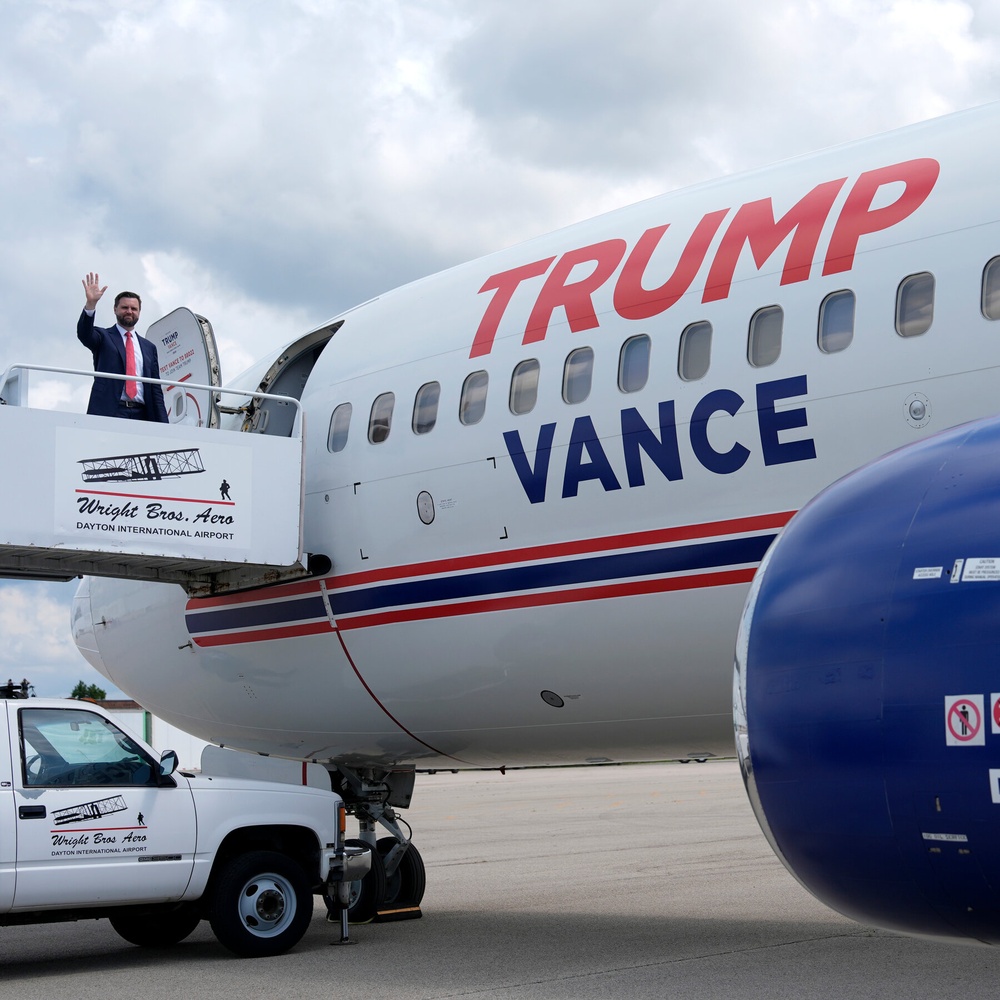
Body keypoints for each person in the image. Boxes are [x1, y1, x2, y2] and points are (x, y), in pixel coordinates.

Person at [77, 272, 169, 422]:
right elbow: (84, 334)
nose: (129, 311)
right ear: (115, 309)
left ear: (139, 312)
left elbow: (155, 389)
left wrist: (164, 424)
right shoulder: (103, 337)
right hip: (111, 410)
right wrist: (91, 305)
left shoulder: (149, 347)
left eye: (134, 308)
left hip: (143, 413)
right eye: (124, 307)